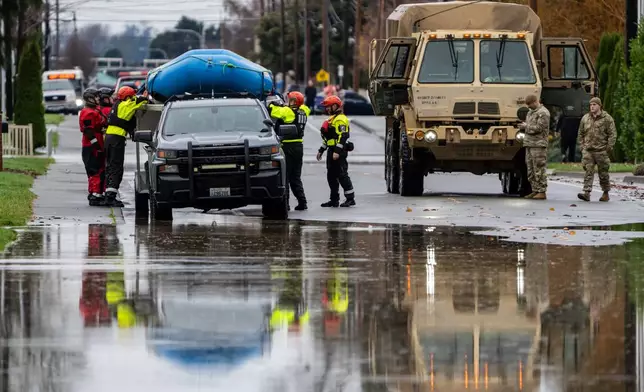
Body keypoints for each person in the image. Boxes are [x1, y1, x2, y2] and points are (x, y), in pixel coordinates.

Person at [104, 86, 148, 208]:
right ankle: (110, 197)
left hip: (109, 138)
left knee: (110, 166)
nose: (133, 98)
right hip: (116, 139)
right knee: (116, 167)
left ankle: (108, 194)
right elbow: (139, 101)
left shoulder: (117, 105)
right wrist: (143, 97)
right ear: (127, 97)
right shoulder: (125, 105)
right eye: (131, 96)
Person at [267, 91, 310, 211]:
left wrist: (273, 104)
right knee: (296, 177)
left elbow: (273, 111)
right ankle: (302, 202)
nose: (288, 102)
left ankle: (285, 204)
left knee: (285, 177)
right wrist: (285, 105)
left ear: (295, 102)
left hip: (287, 147)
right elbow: (303, 107)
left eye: (290, 100)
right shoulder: (304, 111)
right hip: (298, 147)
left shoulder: (287, 112)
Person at [317, 95, 355, 207]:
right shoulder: (331, 119)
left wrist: (337, 152)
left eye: (328, 107)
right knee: (331, 176)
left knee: (342, 175)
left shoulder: (341, 119)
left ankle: (350, 199)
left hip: (339, 152)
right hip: (331, 151)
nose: (327, 109)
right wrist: (321, 150)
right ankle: (334, 200)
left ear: (335, 106)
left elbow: (343, 136)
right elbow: (329, 139)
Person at [577, 97, 617, 202]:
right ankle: (586, 193)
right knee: (588, 171)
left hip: (601, 151)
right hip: (588, 151)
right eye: (590, 105)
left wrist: (609, 147)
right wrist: (582, 146)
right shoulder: (585, 118)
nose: (592, 106)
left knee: (603, 173)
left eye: (594, 104)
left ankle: (605, 193)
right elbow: (580, 133)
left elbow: (612, 134)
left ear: (599, 106)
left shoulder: (607, 119)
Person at [79, 88, 108, 206]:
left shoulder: (94, 111)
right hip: (91, 147)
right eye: (96, 97)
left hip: (95, 145)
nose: (98, 99)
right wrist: (97, 147)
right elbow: (88, 132)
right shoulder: (88, 113)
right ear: (90, 99)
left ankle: (97, 193)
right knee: (95, 170)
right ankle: (95, 195)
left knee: (99, 169)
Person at [519, 94, 550, 200]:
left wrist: (526, 126)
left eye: (530, 104)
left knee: (539, 168)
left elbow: (539, 128)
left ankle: (542, 191)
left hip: (539, 144)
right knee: (531, 169)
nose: (529, 107)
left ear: (535, 102)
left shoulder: (543, 113)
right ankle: (535, 190)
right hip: (529, 143)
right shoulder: (530, 113)